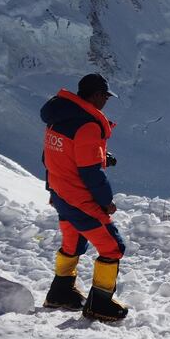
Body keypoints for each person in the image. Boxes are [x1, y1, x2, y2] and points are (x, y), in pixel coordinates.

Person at [41, 73, 128, 321]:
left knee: (73, 242)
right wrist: (105, 202)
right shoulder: (88, 125)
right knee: (113, 247)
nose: (106, 102)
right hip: (80, 199)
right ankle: (100, 304)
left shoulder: (58, 118)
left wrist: (101, 156)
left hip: (60, 194)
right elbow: (90, 174)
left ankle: (60, 292)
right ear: (97, 95)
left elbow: (53, 155)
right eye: (106, 97)